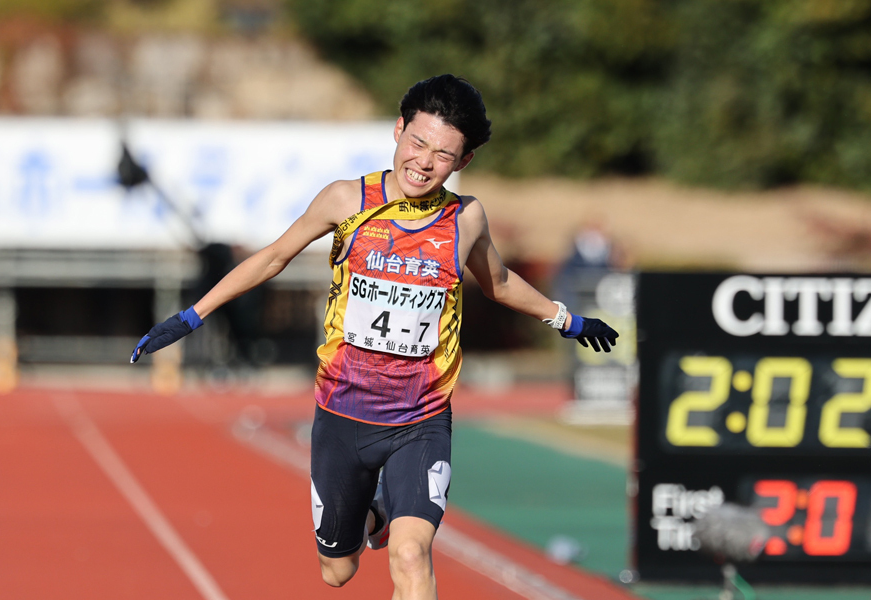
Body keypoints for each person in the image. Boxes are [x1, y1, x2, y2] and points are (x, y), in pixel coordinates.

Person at [130, 74, 618, 600]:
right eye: (418, 143)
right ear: (398, 130)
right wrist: (191, 317)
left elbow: (497, 283)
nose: (424, 162)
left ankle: (397, 515)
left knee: (412, 556)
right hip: (342, 415)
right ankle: (377, 511)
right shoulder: (346, 201)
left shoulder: (465, 217)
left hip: (421, 419)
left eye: (443, 155)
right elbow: (273, 257)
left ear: (464, 162)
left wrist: (567, 320)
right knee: (336, 572)